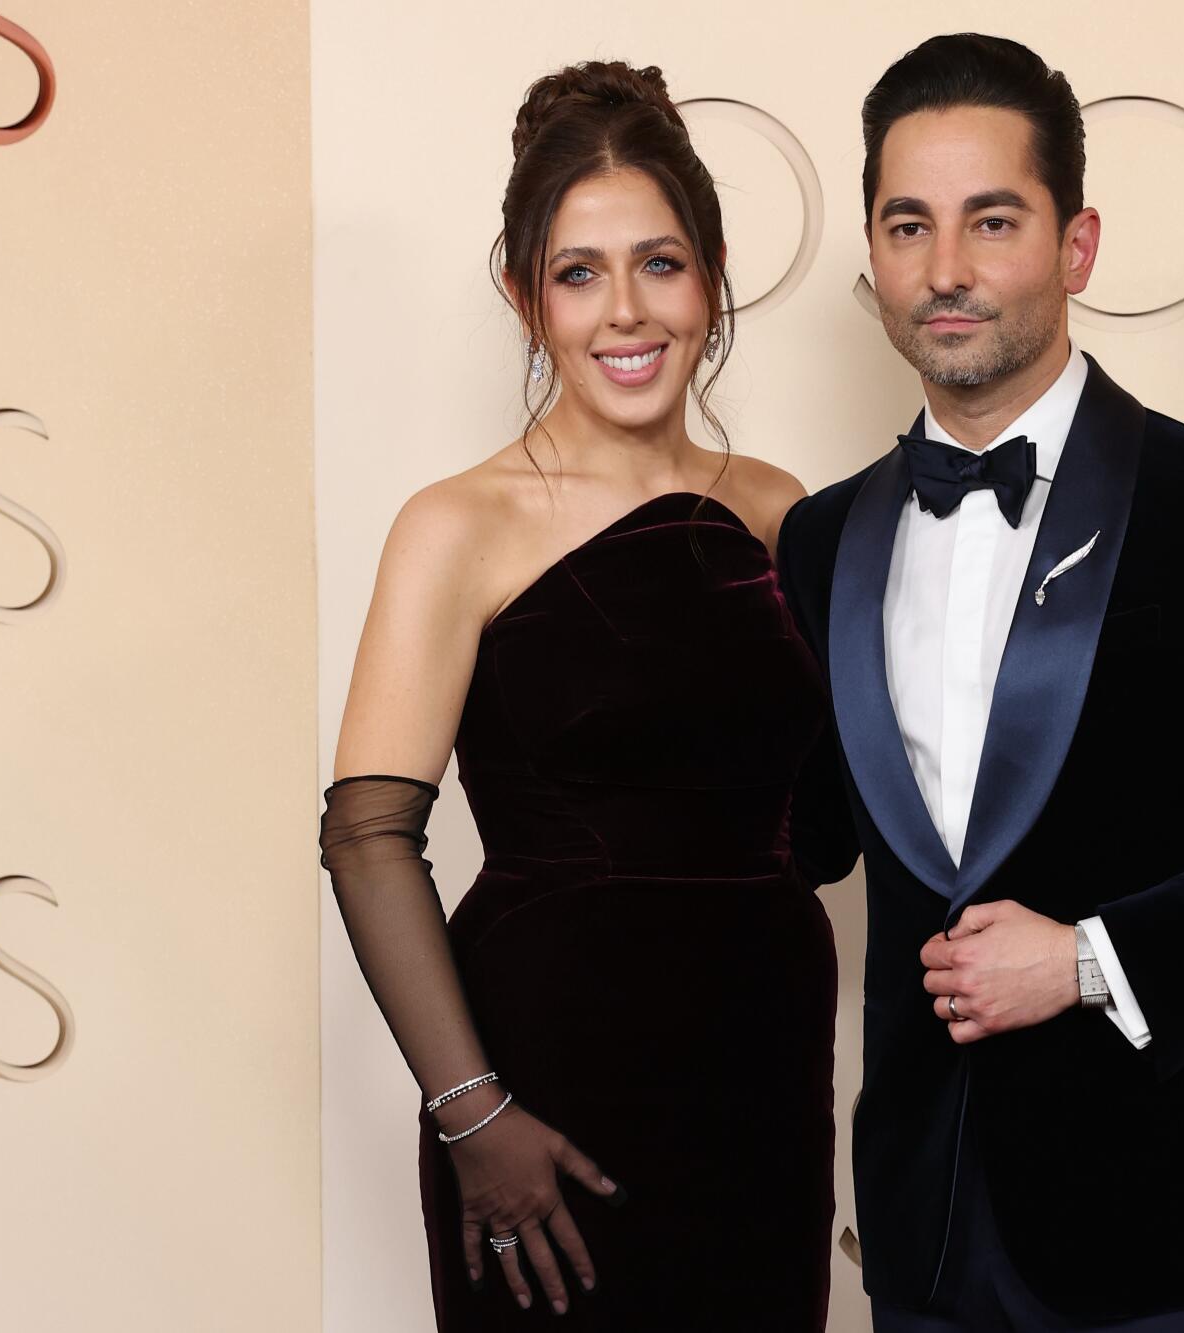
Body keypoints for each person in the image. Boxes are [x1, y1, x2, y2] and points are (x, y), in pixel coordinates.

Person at [772, 33, 1184, 1332]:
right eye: (910, 225)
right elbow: (804, 840)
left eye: (991, 221)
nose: (945, 271)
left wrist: (1085, 959)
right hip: (920, 1234)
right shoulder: (820, 540)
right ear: (873, 251)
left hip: (1160, 1236)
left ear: (1077, 246)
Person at [317, 60, 842, 1331]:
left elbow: (827, 820)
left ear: (711, 276)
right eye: (577, 272)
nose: (625, 312)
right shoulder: (457, 523)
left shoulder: (786, 510)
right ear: (523, 296)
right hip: (543, 1094)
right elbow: (367, 834)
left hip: (762, 1074)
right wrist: (472, 1112)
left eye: (659, 264)